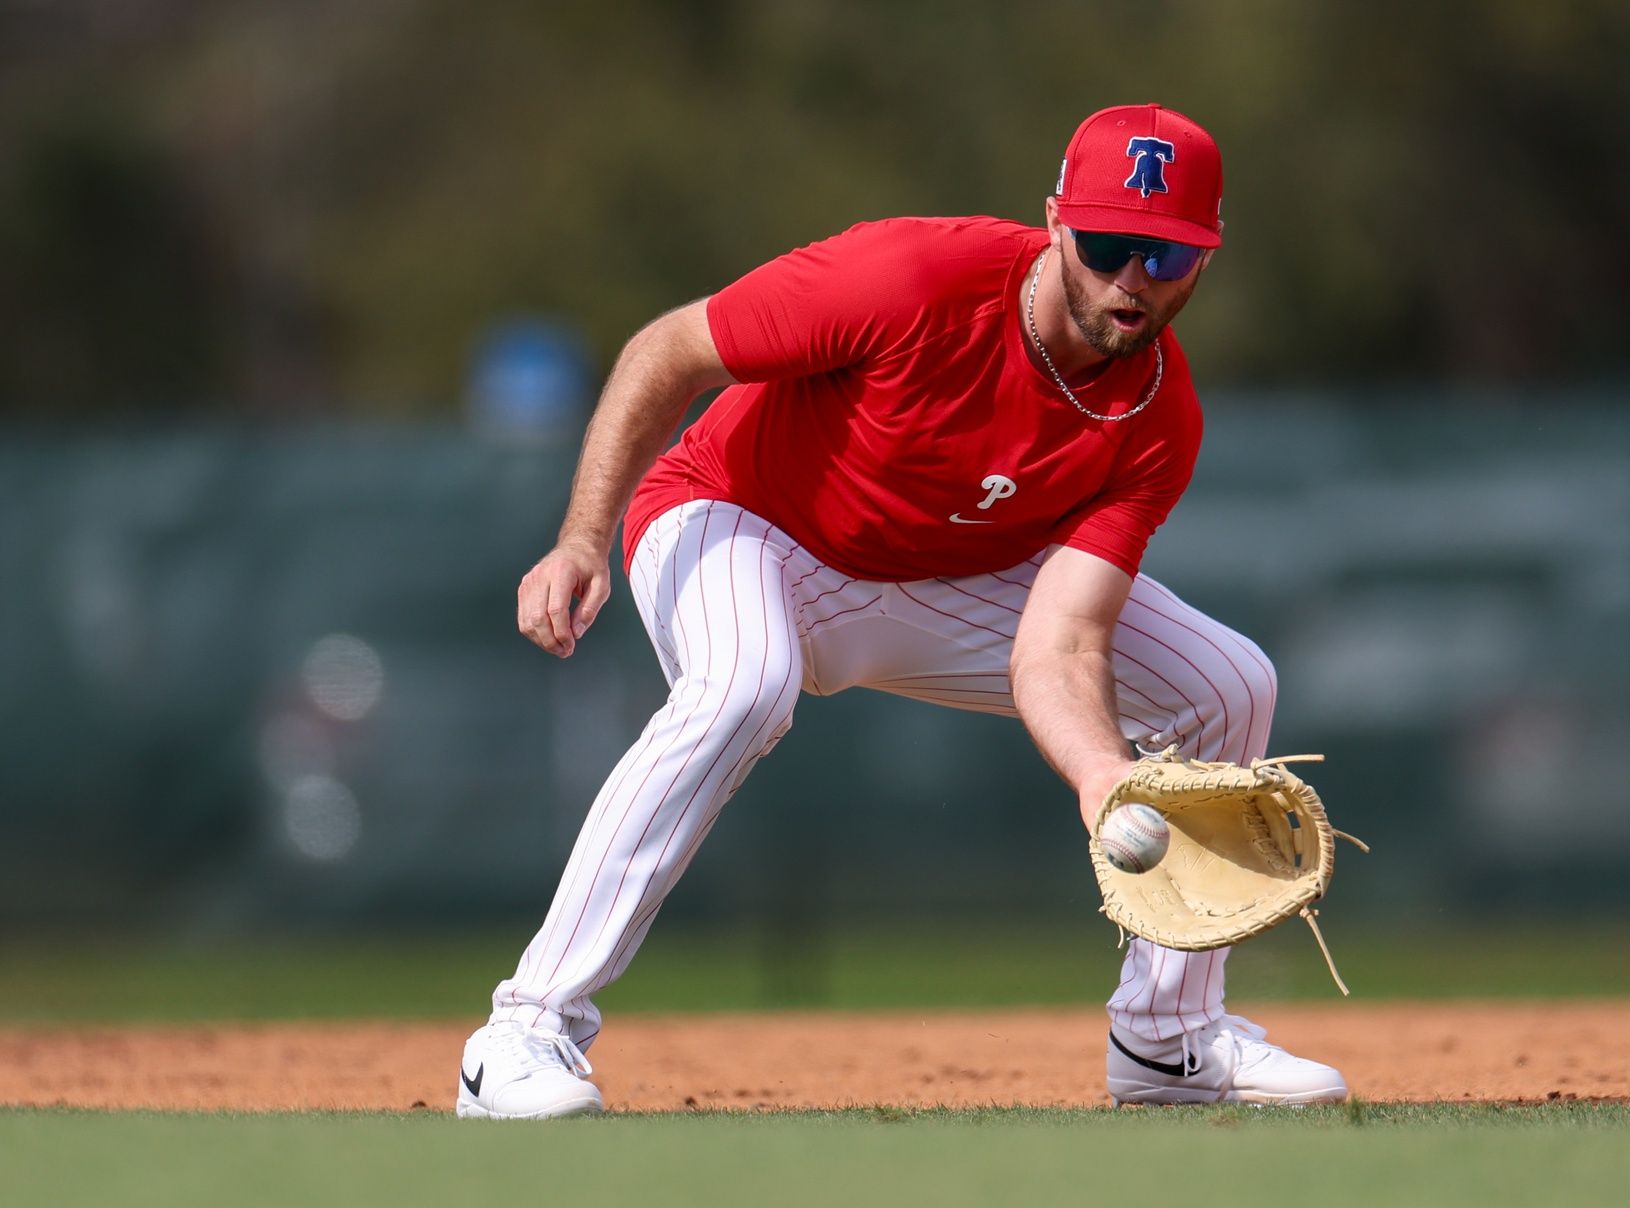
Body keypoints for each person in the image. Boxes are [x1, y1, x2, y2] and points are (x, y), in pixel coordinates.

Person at [455, 103, 1348, 1119]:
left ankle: (1168, 1040)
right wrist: (582, 534)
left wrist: (1104, 779)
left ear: (1205, 259)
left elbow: (1061, 643)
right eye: (1106, 245)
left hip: (937, 576)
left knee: (1228, 685)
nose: (1131, 280)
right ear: (1056, 221)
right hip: (743, 518)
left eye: (1166, 254)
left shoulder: (1155, 415)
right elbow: (669, 351)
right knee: (744, 686)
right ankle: (523, 1031)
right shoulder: (909, 280)